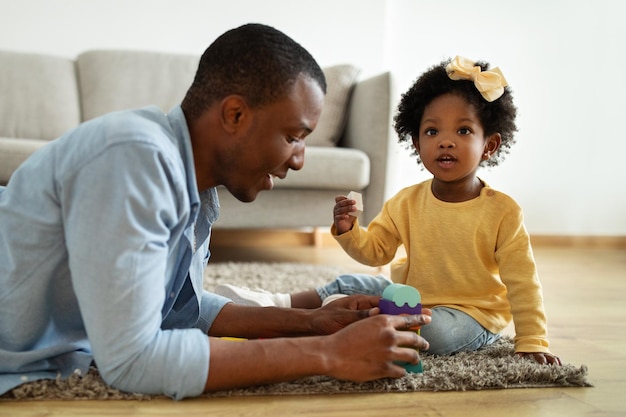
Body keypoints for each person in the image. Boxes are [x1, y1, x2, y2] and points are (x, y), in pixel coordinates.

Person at [0, 23, 432, 400]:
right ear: (235, 114)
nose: (299, 159)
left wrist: (312, 323)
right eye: (294, 136)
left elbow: (176, 310)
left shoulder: (195, 189)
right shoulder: (135, 158)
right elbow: (133, 360)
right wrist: (327, 354)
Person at [215, 56, 562, 366]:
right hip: (411, 295)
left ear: (489, 146)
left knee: (432, 333)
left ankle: (347, 326)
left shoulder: (503, 212)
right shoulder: (406, 201)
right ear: (416, 143)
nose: (445, 140)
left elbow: (523, 283)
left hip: (470, 316)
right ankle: (276, 301)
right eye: (432, 130)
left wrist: (532, 340)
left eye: (463, 130)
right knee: (351, 281)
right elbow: (375, 251)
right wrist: (350, 230)